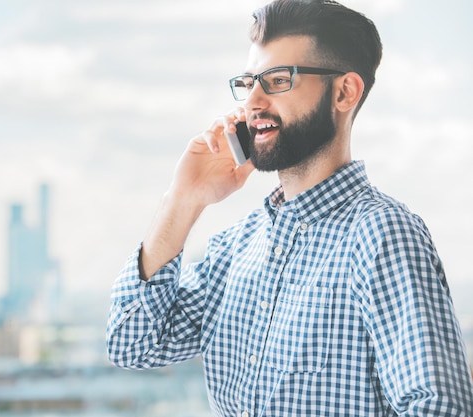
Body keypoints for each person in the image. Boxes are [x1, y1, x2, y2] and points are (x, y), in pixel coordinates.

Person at [106, 0, 473, 415]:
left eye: (278, 80)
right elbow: (131, 344)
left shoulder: (382, 235)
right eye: (249, 84)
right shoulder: (234, 249)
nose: (254, 102)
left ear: (344, 92)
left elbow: (440, 407)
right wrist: (183, 199)